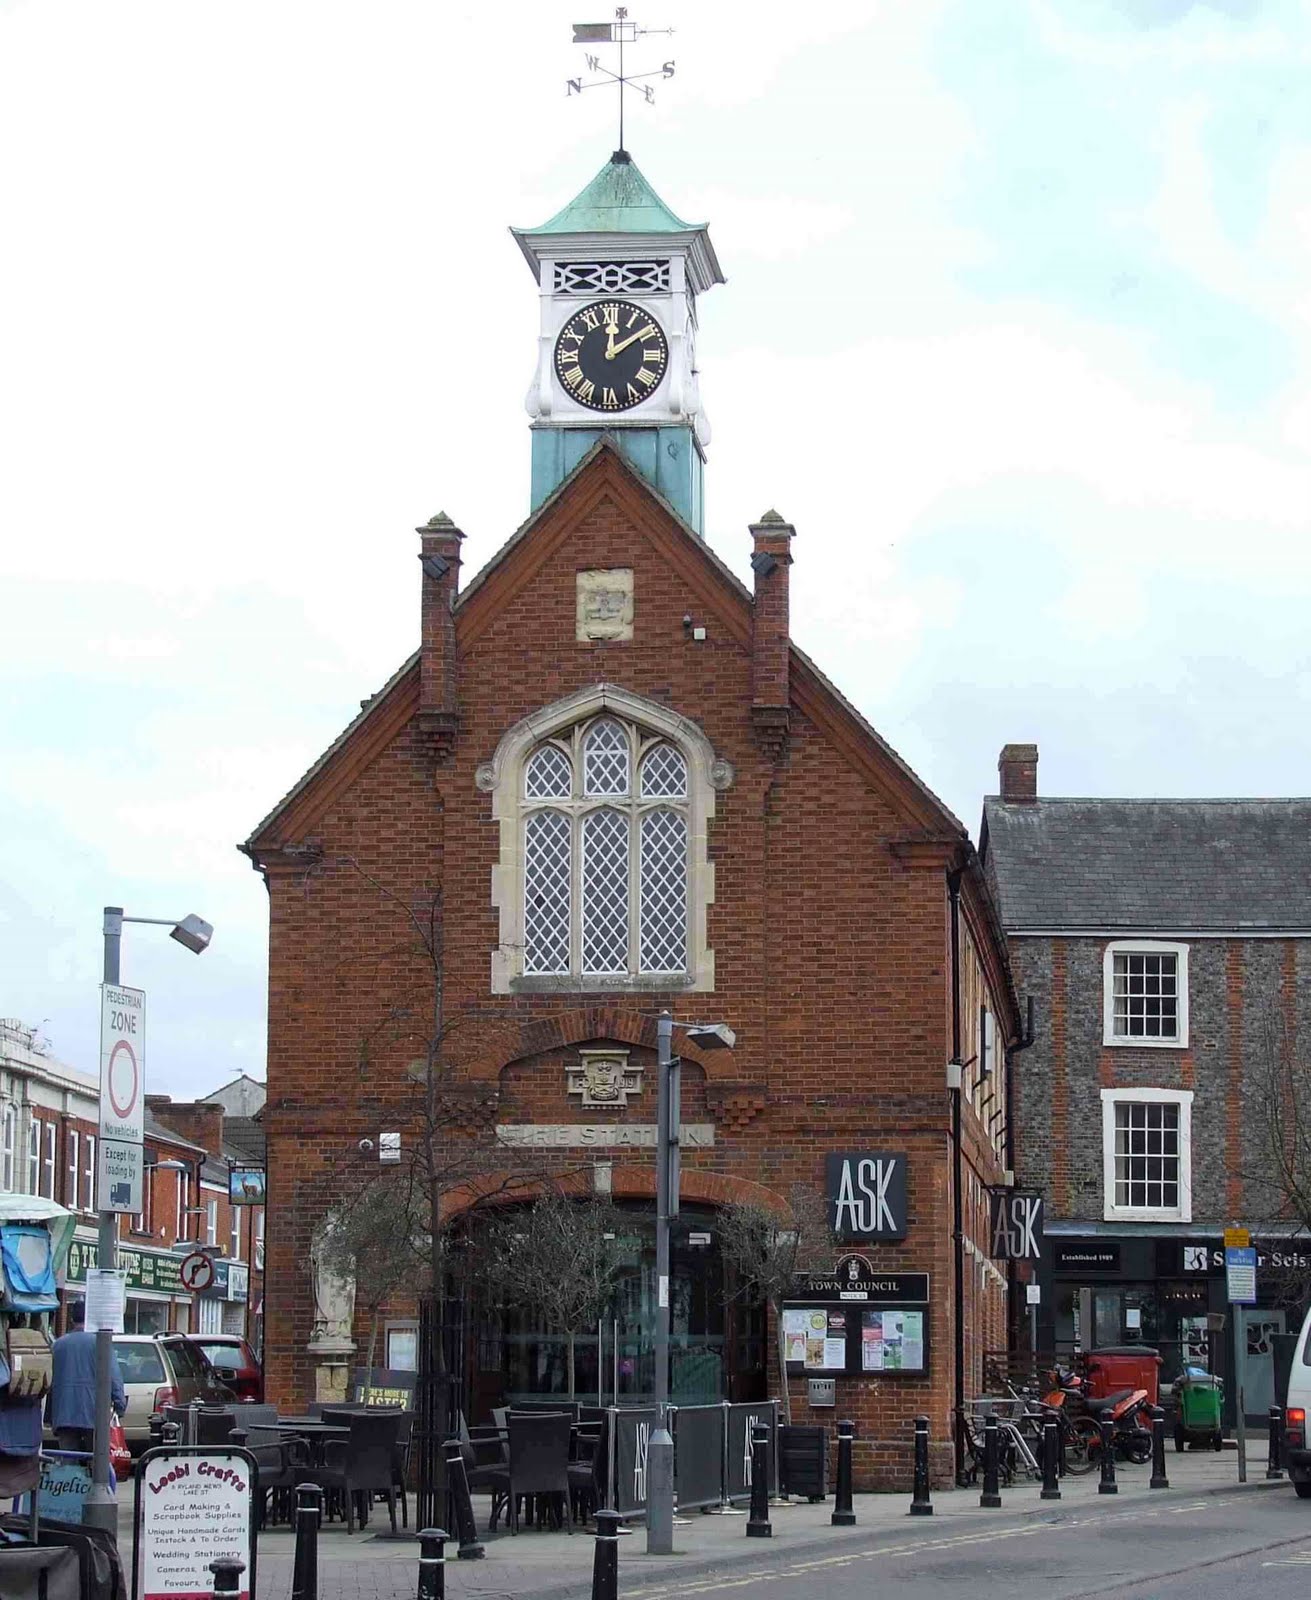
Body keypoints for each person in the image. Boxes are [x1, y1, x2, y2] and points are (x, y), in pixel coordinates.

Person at [49, 1298, 126, 1455]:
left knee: (68, 1461)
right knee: (97, 1460)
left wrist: (50, 1415)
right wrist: (120, 1405)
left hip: (64, 1413)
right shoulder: (101, 1342)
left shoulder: (57, 1345)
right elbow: (114, 1377)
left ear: (71, 1319)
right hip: (94, 1413)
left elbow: (50, 1381)